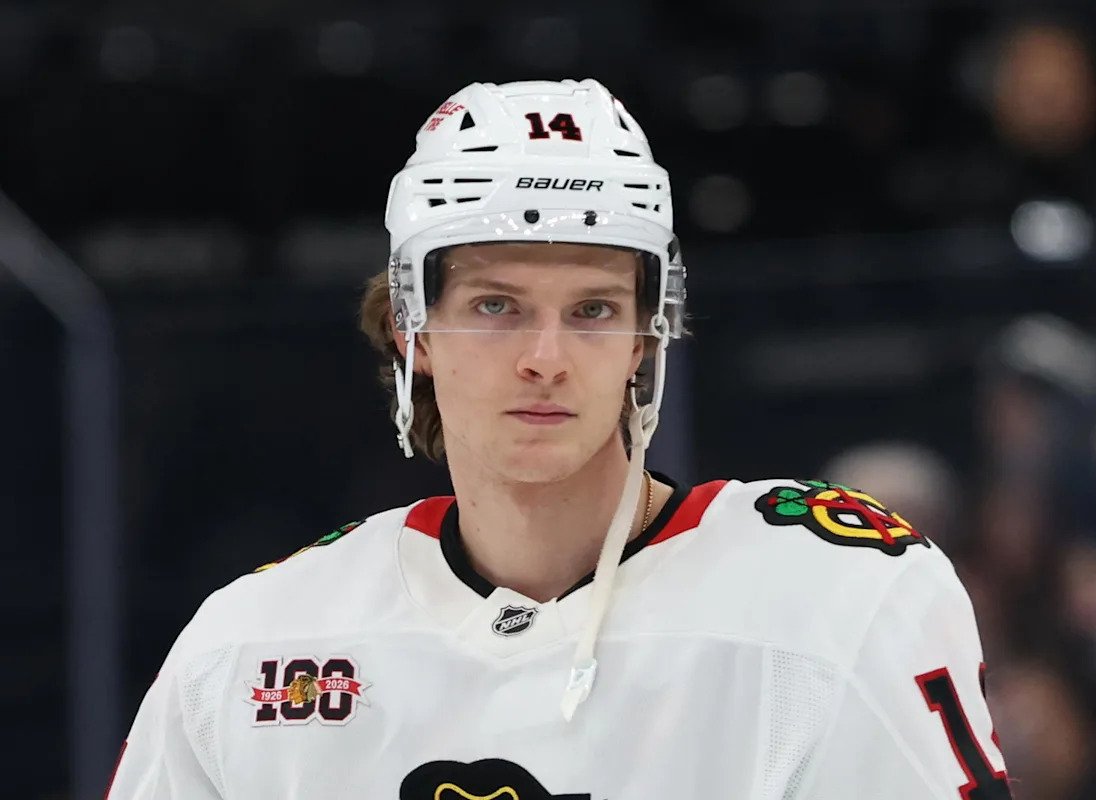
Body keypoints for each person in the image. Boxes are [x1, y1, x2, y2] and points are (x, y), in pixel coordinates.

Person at [107, 78, 1012, 799]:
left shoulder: (835, 595)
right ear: (412, 331)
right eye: (496, 306)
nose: (546, 358)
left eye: (593, 310)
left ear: (645, 338)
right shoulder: (254, 645)